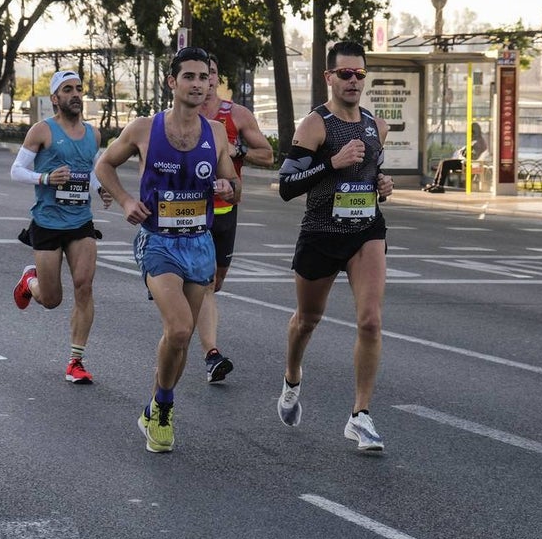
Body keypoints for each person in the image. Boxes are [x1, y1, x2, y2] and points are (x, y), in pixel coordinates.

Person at [94, 46, 240, 453]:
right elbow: (104, 166)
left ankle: (158, 403)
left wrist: (229, 187)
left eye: (204, 77)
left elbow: (233, 184)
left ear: (211, 83)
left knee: (181, 337)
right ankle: (162, 408)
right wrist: (125, 200)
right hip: (158, 241)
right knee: (178, 328)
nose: (198, 84)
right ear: (172, 82)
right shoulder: (144, 128)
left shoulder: (214, 133)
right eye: (188, 76)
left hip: (200, 243)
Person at [275, 40, 395, 451]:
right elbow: (286, 187)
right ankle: (293, 377)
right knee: (307, 319)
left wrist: (383, 184)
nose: (353, 81)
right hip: (321, 233)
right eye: (345, 74)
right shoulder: (315, 125)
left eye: (360, 74)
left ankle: (360, 415)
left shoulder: (376, 126)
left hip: (365, 231)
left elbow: (374, 174)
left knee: (371, 321)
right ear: (329, 77)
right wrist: (331, 162)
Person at [10, 69, 112, 384]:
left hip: (80, 220)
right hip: (47, 221)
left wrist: (101, 188)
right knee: (52, 299)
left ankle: (76, 361)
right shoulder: (43, 131)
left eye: (79, 88)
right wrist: (45, 178)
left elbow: (90, 170)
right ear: (55, 98)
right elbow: (16, 170)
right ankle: (31, 282)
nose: (75, 94)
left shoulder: (93, 134)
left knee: (84, 286)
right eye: (67, 89)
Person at [194, 54, 274, 383]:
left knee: (216, 282)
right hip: (191, 211)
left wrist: (235, 150)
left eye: (210, 74)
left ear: (217, 79)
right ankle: (212, 354)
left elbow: (268, 154)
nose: (205, 80)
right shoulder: (179, 117)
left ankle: (187, 312)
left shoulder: (235, 114)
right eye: (198, 75)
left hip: (226, 209)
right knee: (206, 284)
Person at [423, 122, 488, 193]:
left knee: (445, 163)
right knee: (443, 162)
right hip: (466, 162)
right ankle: (435, 184)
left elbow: (473, 156)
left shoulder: (479, 142)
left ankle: (439, 186)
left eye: (471, 132)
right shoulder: (475, 141)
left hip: (469, 164)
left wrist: (464, 152)